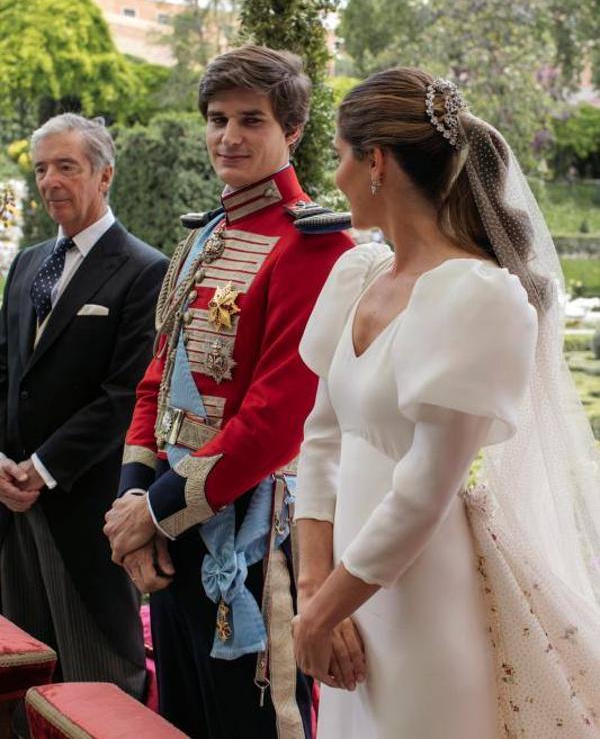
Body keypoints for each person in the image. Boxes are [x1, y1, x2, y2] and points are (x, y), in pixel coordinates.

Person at [292, 68, 600, 738]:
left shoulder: (478, 297)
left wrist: (323, 608)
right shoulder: (357, 272)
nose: (335, 176)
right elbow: (319, 437)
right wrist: (313, 590)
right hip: (342, 587)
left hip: (420, 591)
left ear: (375, 163)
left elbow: (424, 490)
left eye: (341, 156)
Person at [104, 45, 353, 739]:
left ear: (293, 131)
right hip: (169, 527)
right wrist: (133, 498)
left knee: (255, 723)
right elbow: (156, 377)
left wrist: (149, 514)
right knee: (181, 720)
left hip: (251, 541)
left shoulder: (315, 250)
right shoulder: (203, 237)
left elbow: (276, 419)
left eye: (252, 120)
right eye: (217, 119)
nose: (229, 137)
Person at [0, 114, 168, 702]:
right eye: (42, 168)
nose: (50, 181)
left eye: (66, 167)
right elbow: (6, 374)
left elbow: (125, 395)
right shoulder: (25, 264)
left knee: (98, 676)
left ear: (105, 176)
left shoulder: (146, 270)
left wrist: (42, 468)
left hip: (86, 506)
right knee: (21, 673)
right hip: (11, 506)